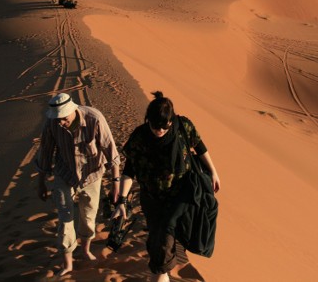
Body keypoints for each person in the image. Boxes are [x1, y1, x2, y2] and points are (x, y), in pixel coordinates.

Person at [112, 91, 221, 282]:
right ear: (148, 120)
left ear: (171, 120)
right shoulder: (140, 137)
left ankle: (165, 262)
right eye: (155, 126)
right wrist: (122, 201)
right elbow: (129, 170)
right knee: (161, 243)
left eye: (165, 126)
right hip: (153, 201)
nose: (160, 131)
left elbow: (200, 147)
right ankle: (163, 267)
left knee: (167, 240)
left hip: (182, 197)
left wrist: (213, 172)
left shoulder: (183, 126)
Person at [34, 93, 121, 276]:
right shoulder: (52, 123)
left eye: (64, 119)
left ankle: (85, 250)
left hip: (92, 176)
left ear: (73, 111)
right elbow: (46, 152)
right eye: (57, 119)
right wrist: (41, 182)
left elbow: (111, 152)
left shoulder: (94, 118)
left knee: (88, 216)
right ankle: (68, 264)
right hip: (64, 174)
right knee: (66, 219)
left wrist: (116, 184)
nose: (60, 123)